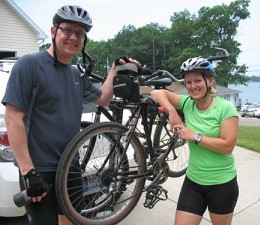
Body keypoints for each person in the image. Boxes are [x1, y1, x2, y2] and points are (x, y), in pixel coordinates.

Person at [1, 5, 139, 225]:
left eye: (80, 33)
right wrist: (28, 172)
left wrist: (114, 69)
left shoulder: (75, 74)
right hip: (39, 170)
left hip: (70, 167)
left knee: (71, 222)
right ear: (54, 31)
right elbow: (13, 118)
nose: (74, 37)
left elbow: (103, 98)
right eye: (68, 30)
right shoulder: (29, 65)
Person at [150, 56, 239, 225]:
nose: (192, 86)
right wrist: (172, 111)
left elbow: (227, 146)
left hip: (222, 183)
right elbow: (156, 92)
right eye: (188, 82)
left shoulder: (225, 108)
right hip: (193, 182)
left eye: (197, 80)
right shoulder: (187, 103)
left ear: (209, 81)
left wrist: (194, 136)